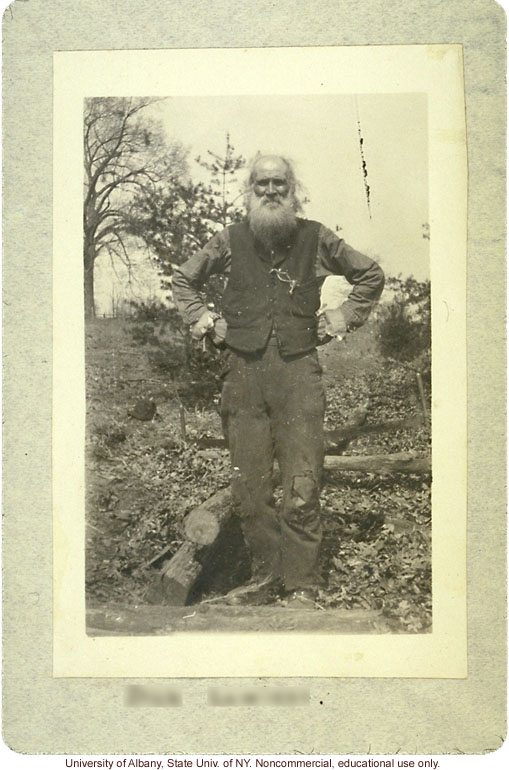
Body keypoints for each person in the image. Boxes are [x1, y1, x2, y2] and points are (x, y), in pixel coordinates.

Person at [172, 155, 384, 607]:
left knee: (303, 485)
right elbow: (184, 280)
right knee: (249, 489)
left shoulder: (315, 237)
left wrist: (342, 316)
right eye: (262, 183)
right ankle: (265, 582)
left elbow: (370, 274)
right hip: (243, 377)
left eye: (279, 183)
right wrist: (208, 322)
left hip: (298, 376)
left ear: (293, 188)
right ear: (250, 189)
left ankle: (302, 586)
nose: (271, 191)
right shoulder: (229, 240)